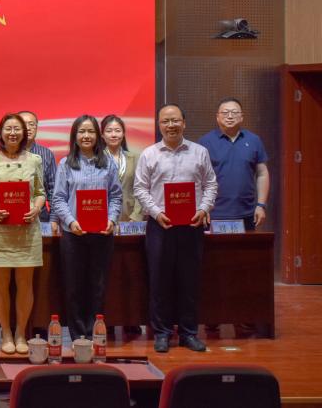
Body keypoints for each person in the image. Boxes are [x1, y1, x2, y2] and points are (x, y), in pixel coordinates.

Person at [133, 104, 217, 353]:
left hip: (192, 225)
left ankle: (188, 333)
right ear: (159, 125)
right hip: (160, 226)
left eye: (175, 120)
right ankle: (162, 333)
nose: (171, 125)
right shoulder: (149, 154)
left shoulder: (199, 152)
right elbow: (140, 188)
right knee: (160, 281)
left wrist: (203, 209)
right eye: (165, 121)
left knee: (189, 280)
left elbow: (211, 184)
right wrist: (156, 213)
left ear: (184, 123)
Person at [0, 113, 45, 355]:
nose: (13, 133)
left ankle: (20, 333)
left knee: (25, 283)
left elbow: (40, 192)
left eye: (17, 128)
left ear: (24, 133)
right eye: (8, 128)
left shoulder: (35, 160)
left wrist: (36, 208)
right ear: (1, 133)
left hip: (27, 231)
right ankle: (6, 332)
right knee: (1, 283)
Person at [51, 115, 123, 340]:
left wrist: (112, 219)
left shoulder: (108, 163)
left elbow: (116, 196)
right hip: (74, 235)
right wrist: (71, 221)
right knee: (74, 286)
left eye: (91, 131)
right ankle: (77, 336)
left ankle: (94, 333)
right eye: (81, 132)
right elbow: (59, 199)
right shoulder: (65, 164)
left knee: (98, 285)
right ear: (75, 136)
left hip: (102, 234)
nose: (86, 136)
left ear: (97, 135)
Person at [197, 97, 269, 231]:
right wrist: (202, 208)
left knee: (245, 245)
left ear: (241, 117)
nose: (230, 116)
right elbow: (198, 178)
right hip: (213, 212)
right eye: (225, 113)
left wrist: (261, 205)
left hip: (247, 212)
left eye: (234, 112)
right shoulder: (205, 142)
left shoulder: (254, 140)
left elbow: (262, 173)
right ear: (217, 117)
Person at [101, 114, 143, 223]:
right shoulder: (96, 160)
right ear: (102, 135)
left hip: (129, 217)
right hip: (103, 218)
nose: (113, 135)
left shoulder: (135, 158)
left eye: (117, 131)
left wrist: (136, 216)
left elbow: (141, 188)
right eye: (109, 131)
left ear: (123, 134)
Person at [18, 111, 58, 222]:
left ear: (36, 127)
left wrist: (54, 219)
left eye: (31, 124)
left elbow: (53, 189)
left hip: (40, 217)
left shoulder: (46, 154)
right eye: (23, 124)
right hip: (9, 217)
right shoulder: (5, 155)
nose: (28, 128)